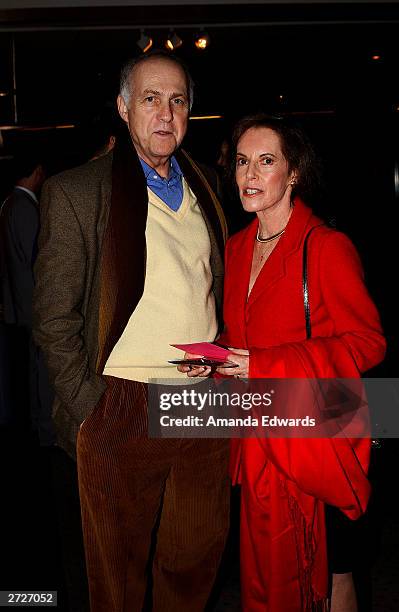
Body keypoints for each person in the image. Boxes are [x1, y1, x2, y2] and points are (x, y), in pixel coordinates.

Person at [32, 50, 230, 611]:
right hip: (120, 402)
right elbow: (52, 318)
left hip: (204, 401)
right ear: (123, 108)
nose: (165, 113)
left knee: (193, 569)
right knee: (117, 580)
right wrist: (90, 403)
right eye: (150, 98)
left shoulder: (208, 185)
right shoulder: (76, 193)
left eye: (178, 100)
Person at [181, 114, 386, 611]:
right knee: (264, 574)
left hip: (318, 432)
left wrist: (269, 365)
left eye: (266, 161)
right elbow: (242, 339)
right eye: (243, 162)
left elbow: (368, 343)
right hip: (258, 436)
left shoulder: (327, 247)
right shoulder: (234, 248)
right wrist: (215, 359)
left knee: (330, 574)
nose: (250, 174)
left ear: (293, 173)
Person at [0, 151, 55, 445]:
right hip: (33, 303)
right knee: (42, 369)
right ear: (37, 171)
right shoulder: (25, 208)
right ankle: (45, 427)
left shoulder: (9, 204)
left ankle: (38, 422)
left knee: (33, 368)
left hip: (17, 304)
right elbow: (39, 261)